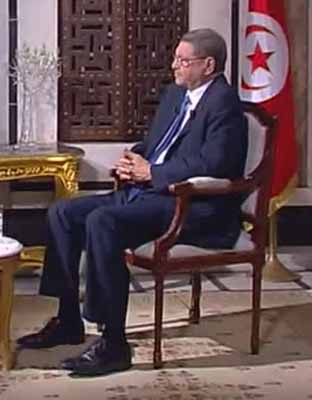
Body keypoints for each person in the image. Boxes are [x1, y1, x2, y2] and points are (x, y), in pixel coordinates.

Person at [16, 28, 248, 377]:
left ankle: (114, 344)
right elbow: (155, 146)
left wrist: (152, 172)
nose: (173, 66)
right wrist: (133, 161)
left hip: (194, 206)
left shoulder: (225, 104)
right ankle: (68, 320)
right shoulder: (176, 95)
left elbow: (214, 163)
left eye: (183, 61)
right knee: (63, 213)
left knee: (103, 222)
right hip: (149, 192)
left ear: (209, 65)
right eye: (175, 58)